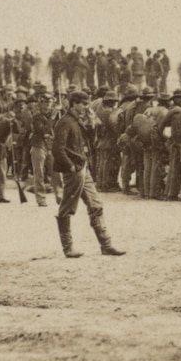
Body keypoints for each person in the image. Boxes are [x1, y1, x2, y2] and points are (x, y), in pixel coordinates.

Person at [52, 90, 125, 258]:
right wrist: (70, 167)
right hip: (75, 171)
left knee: (96, 205)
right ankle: (68, 248)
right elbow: (58, 149)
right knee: (67, 208)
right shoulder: (64, 122)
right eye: (84, 104)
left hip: (83, 168)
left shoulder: (77, 121)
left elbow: (88, 142)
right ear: (74, 103)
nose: (87, 107)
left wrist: (91, 125)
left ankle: (106, 245)